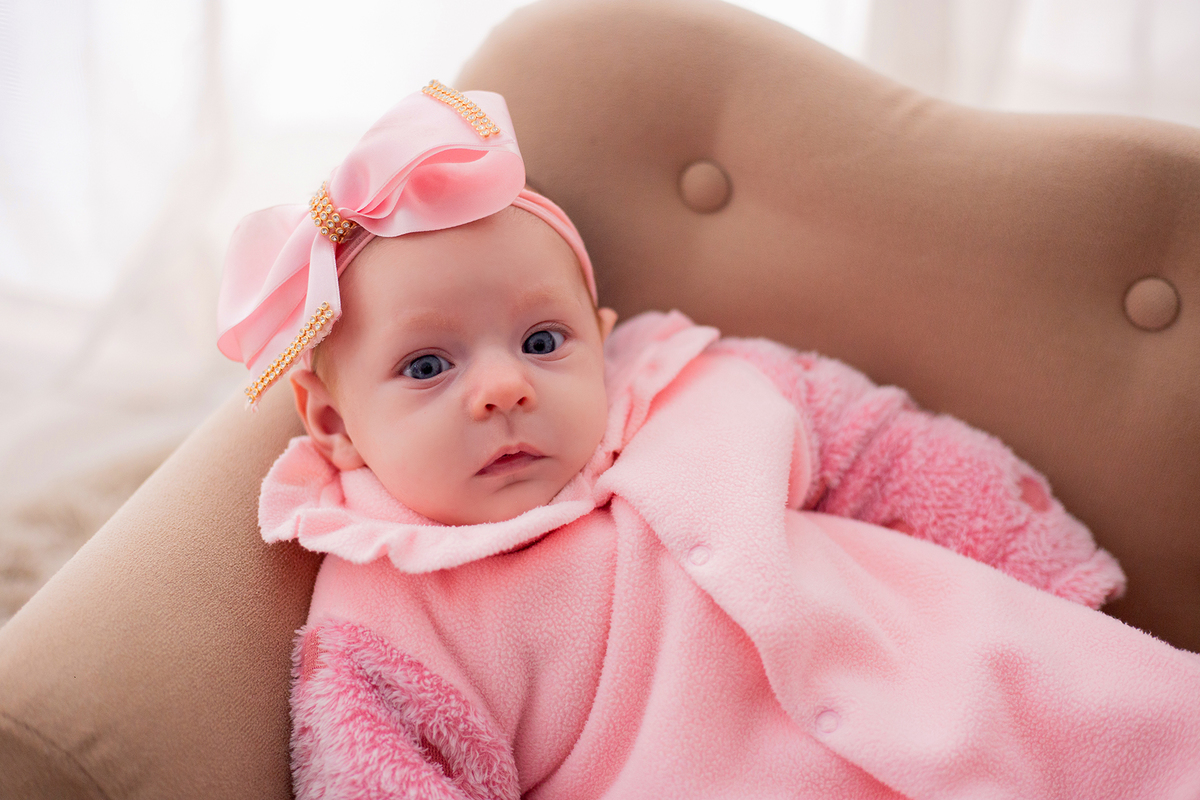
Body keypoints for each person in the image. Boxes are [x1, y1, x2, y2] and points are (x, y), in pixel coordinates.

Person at [218, 83, 1200, 799]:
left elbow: (880, 450)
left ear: (602, 343)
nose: (505, 386)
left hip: (971, 674)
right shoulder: (389, 606)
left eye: (543, 340)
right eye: (429, 366)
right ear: (336, 424)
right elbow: (380, 768)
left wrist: (1039, 563)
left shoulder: (693, 382)